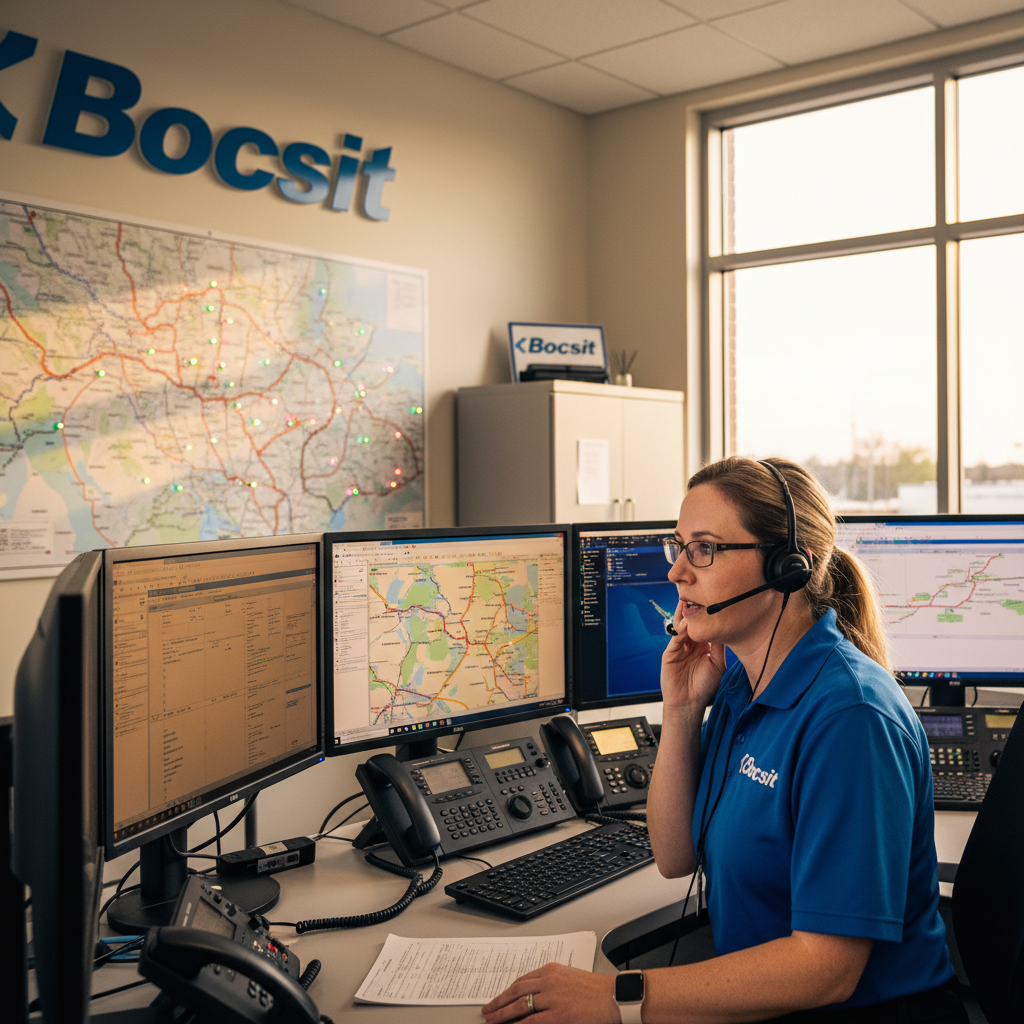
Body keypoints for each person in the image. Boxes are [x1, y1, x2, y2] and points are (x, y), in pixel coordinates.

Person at [482, 456, 966, 1024]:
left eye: (705, 549)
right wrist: (682, 708)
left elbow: (826, 968)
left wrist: (619, 998)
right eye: (678, 545)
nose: (677, 573)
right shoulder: (741, 679)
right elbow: (673, 856)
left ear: (787, 568)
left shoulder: (851, 720)